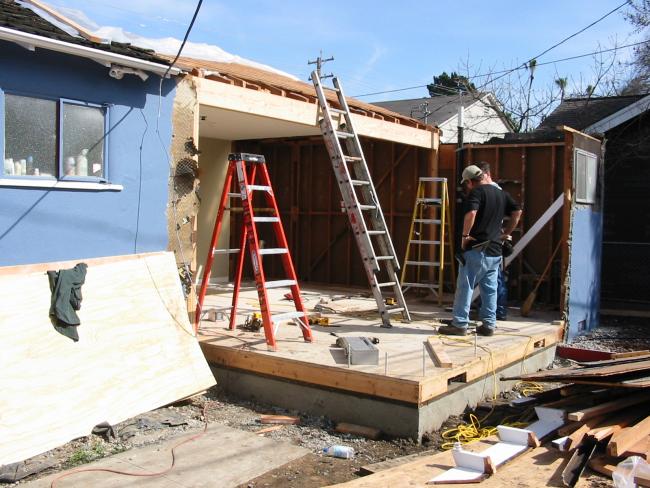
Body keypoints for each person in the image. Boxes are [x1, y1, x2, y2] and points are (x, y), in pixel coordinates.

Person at [439, 164, 521, 336]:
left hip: (478, 249)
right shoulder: (501, 194)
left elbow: (471, 214)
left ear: (470, 181)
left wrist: (465, 236)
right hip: (495, 251)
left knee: (465, 286)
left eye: (466, 183)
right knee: (490, 289)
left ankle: (460, 324)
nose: (467, 187)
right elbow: (517, 212)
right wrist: (506, 233)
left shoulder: (477, 192)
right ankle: (488, 325)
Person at [476, 162, 509, 320]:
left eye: (481, 176)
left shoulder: (494, 191)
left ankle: (498, 310)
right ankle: (491, 310)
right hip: (491, 238)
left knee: (495, 278)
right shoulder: (494, 191)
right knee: (490, 277)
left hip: (491, 240)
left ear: (487, 175)